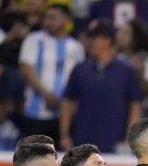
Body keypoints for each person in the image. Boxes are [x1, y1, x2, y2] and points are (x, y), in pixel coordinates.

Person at [60, 20, 143, 152]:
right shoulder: (80, 69)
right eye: (89, 38)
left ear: (108, 41)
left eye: (94, 38)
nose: (89, 42)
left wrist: (130, 137)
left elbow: (135, 104)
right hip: (82, 139)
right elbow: (68, 101)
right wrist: (64, 134)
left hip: (115, 140)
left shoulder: (126, 71)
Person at [19, 4, 84, 143]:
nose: (48, 22)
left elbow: (79, 79)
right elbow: (26, 67)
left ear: (66, 19)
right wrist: (46, 94)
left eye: (53, 17)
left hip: (66, 116)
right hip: (36, 113)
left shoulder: (76, 47)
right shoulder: (35, 39)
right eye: (47, 18)